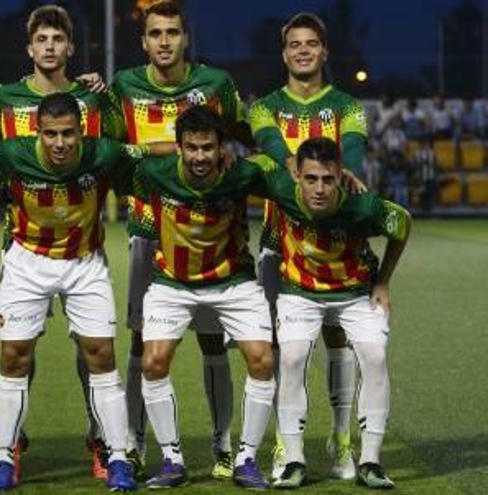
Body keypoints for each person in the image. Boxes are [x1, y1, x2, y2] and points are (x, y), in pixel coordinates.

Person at [0, 93, 170, 491]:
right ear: (36, 132)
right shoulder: (11, 153)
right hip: (26, 263)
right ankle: (5, 458)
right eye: (50, 135)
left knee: (102, 355)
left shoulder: (103, 152)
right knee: (13, 356)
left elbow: (148, 150)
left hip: (84, 262)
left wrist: (186, 147)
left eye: (68, 134)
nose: (59, 144)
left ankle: (117, 457)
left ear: (82, 131)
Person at [104, 0, 250, 478]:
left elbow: (243, 136)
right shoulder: (125, 85)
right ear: (143, 40)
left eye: (172, 32)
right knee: (142, 342)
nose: (164, 41)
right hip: (149, 230)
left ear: (186, 38)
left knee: (212, 342)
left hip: (211, 231)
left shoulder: (216, 85)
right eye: (155, 33)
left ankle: (222, 444)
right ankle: (133, 442)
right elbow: (115, 153)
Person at [0, 4, 116, 480]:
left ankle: (101, 438)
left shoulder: (94, 99)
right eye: (42, 40)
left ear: (70, 47)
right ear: (30, 47)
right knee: (21, 349)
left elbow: (111, 157)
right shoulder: (3, 99)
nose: (50, 48)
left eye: (58, 40)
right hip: (26, 245)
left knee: (94, 348)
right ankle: (12, 441)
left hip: (84, 246)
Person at [248, 12, 369, 481]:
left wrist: (348, 172)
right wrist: (296, 165)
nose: (302, 51)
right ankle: (286, 445)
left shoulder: (348, 106)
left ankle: (341, 444)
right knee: (281, 348)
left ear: (323, 51)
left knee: (340, 341)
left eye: (311, 44)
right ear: (284, 54)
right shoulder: (264, 106)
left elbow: (353, 156)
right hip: (279, 242)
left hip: (337, 242)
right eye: (294, 44)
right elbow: (272, 144)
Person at [134, 106, 276, 489]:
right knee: (153, 361)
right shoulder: (154, 173)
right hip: (172, 282)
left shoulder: (241, 174)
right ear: (178, 147)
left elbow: (280, 169)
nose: (200, 157)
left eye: (208, 148)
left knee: (263, 361)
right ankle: (172, 459)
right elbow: (122, 157)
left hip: (234, 281)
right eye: (192, 148)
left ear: (221, 148)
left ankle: (246, 459)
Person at [269, 137, 411, 490]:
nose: (319, 189)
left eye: (328, 180)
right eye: (311, 178)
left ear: (340, 176)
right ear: (296, 175)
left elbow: (403, 224)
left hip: (354, 292)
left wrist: (384, 282)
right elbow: (253, 160)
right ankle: (293, 460)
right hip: (299, 292)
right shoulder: (278, 185)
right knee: (291, 357)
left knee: (375, 356)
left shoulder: (363, 207)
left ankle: (371, 462)